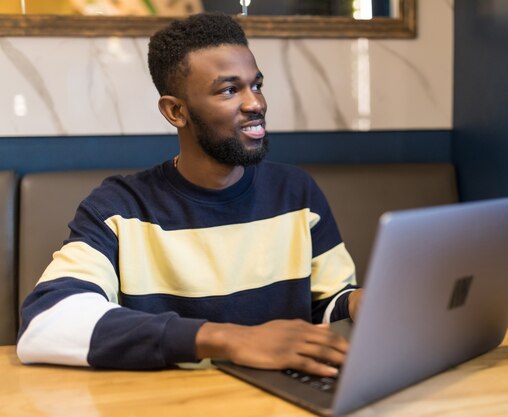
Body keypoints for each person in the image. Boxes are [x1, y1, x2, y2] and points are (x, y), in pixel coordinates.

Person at [16, 12, 363, 377]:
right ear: (175, 111)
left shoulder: (296, 192)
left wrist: (358, 302)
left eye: (256, 85)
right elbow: (46, 323)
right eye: (230, 90)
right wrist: (226, 339)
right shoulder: (119, 209)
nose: (256, 104)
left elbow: (325, 307)